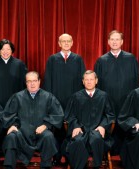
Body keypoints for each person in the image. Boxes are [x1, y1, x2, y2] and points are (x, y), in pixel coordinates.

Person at [2, 71, 64, 169]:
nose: (32, 84)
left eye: (34, 80)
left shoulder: (48, 97)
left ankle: (46, 166)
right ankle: (9, 167)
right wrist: (13, 125)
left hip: (41, 133)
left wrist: (46, 125)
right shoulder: (17, 97)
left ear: (39, 81)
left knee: (48, 136)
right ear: (26, 83)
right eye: (29, 81)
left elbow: (58, 115)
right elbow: (9, 114)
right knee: (11, 136)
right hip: (22, 132)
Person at [94, 30, 139, 154]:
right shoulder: (101, 60)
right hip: (108, 99)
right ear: (108, 42)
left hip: (127, 98)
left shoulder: (131, 58)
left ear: (122, 42)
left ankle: (126, 150)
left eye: (117, 39)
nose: (114, 42)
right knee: (109, 121)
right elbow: (96, 83)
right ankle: (110, 149)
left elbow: (136, 80)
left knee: (126, 122)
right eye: (112, 39)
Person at [43, 33, 85, 165]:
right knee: (56, 129)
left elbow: (82, 81)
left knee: (71, 127)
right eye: (63, 41)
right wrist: (50, 100)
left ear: (72, 43)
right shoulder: (52, 59)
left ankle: (69, 155)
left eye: (68, 41)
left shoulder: (78, 59)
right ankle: (56, 156)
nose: (66, 43)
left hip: (73, 100)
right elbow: (48, 80)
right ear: (59, 43)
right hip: (56, 100)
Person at [65, 70, 115, 169]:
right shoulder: (76, 96)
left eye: (91, 79)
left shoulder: (104, 96)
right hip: (81, 129)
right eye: (86, 80)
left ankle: (97, 166)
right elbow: (69, 115)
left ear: (96, 81)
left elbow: (110, 115)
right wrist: (76, 126)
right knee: (78, 140)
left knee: (97, 138)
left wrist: (103, 126)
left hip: (97, 129)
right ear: (83, 81)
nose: (89, 82)